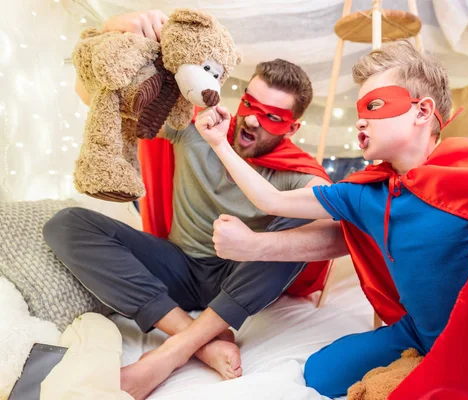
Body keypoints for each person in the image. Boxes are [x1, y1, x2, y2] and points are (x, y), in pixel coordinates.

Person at [196, 40, 468, 397]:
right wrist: (218, 143)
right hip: (421, 334)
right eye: (359, 110)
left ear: (423, 111)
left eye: (375, 105)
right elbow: (270, 199)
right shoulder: (363, 193)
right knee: (320, 373)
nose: (361, 119)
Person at [43, 10, 348, 400]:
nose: (252, 121)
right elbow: (97, 95)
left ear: (292, 128)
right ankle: (197, 339)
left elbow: (336, 228)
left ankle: (168, 355)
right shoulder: (199, 126)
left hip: (237, 282)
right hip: (180, 267)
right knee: (66, 223)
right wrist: (113, 30)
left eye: (272, 117)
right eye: (251, 104)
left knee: (301, 227)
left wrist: (257, 246)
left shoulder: (296, 172)